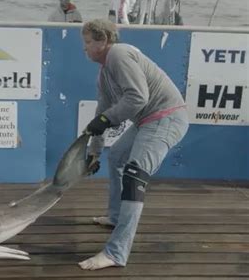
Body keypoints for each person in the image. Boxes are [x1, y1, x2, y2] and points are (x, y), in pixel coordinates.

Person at [78, 19, 189, 270]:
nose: (84, 48)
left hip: (166, 117)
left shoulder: (119, 54)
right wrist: (94, 152)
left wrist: (106, 119)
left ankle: (116, 252)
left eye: (87, 42)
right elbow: (102, 114)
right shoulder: (104, 73)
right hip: (147, 121)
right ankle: (116, 217)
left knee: (134, 175)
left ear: (103, 41)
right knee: (116, 156)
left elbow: (138, 97)